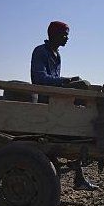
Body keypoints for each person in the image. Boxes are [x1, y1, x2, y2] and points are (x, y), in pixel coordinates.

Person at [31, 20, 98, 191]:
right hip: (46, 103)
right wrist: (66, 82)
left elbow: (56, 82)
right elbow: (39, 79)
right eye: (64, 34)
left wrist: (70, 82)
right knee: (77, 129)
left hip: (56, 101)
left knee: (84, 84)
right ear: (53, 34)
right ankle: (78, 178)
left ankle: (79, 177)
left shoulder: (57, 55)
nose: (67, 38)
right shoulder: (41, 51)